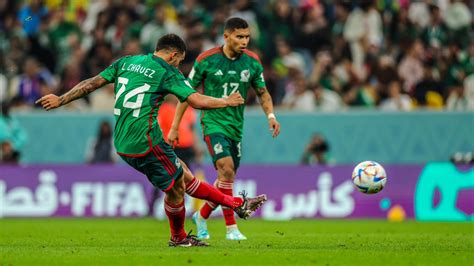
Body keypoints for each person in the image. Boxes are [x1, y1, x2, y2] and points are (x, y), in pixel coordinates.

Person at [36, 34, 267, 247]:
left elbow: (92, 83)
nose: (178, 65)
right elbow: (196, 100)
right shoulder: (167, 71)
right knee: (178, 188)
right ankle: (182, 236)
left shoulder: (126, 62)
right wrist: (226, 101)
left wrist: (61, 99)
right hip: (145, 141)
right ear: (173, 55)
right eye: (179, 61)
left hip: (125, 141)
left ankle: (236, 205)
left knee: (184, 175)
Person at [168, 17, 281, 241]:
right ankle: (231, 228)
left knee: (224, 179)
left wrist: (271, 115)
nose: (245, 41)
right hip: (213, 122)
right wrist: (174, 127)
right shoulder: (206, 60)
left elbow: (262, 93)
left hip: (235, 127)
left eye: (247, 36)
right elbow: (185, 94)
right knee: (226, 169)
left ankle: (201, 216)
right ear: (226, 36)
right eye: (240, 36)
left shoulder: (252, 62)